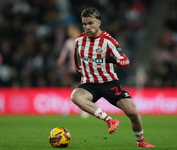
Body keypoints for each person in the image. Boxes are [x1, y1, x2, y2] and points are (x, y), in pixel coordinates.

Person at [70, 7, 154, 148]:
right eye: (84, 24)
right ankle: (109, 120)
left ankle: (141, 141)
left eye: (90, 23)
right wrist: (82, 72)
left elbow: (125, 61)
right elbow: (77, 61)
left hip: (109, 83)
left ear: (99, 23)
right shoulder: (78, 41)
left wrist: (112, 60)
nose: (87, 27)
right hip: (89, 84)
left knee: (133, 113)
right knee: (75, 96)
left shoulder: (108, 41)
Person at [56, 24, 81, 88]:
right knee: (76, 87)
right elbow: (63, 55)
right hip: (74, 69)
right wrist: (60, 61)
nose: (68, 32)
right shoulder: (69, 42)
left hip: (85, 69)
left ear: (75, 29)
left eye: (69, 30)